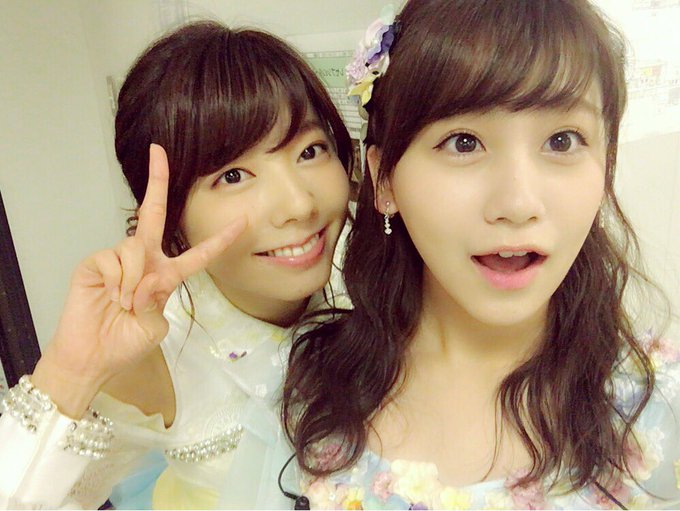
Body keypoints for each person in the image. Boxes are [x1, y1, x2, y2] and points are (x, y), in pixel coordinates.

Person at [282, 1, 680, 509]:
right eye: (464, 143)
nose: (518, 204)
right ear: (384, 180)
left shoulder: (660, 404)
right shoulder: (308, 388)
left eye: (562, 141)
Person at [0, 20, 353, 510]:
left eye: (310, 151)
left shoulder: (370, 267)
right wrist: (69, 372)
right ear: (171, 220)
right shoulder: (157, 354)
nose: (299, 204)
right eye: (234, 175)